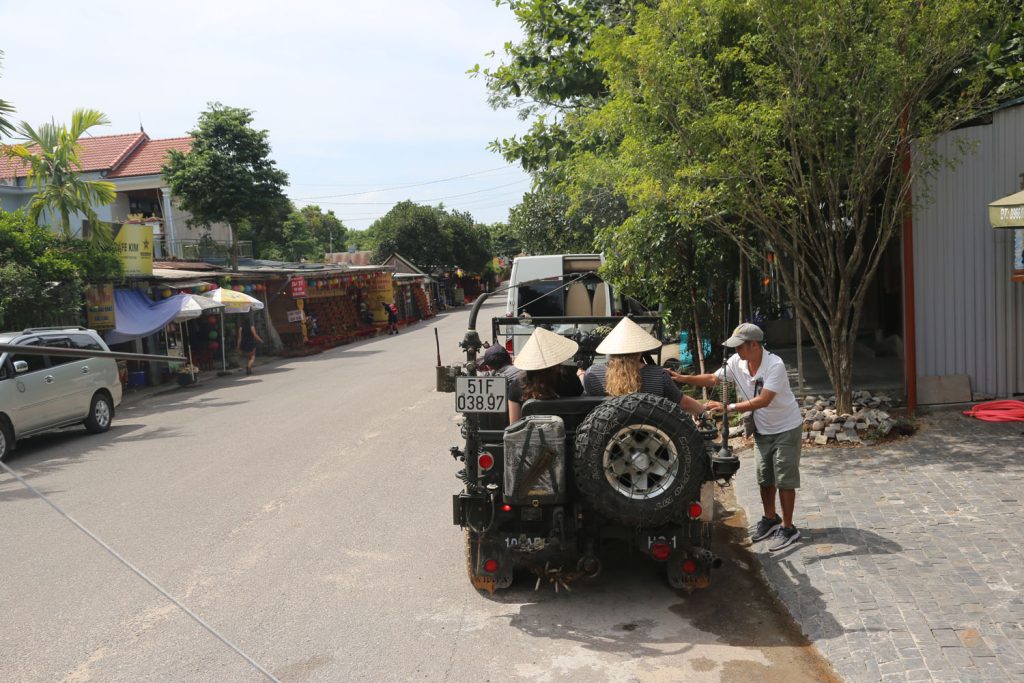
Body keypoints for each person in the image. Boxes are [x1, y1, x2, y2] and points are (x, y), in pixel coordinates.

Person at [670, 323, 804, 552]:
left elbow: (763, 400)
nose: (736, 352)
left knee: (784, 478)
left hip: (786, 427)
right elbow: (714, 379)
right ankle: (770, 519)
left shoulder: (775, 365)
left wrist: (727, 406)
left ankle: (788, 527)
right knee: (764, 477)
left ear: (754, 345)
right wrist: (681, 378)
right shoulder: (737, 362)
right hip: (763, 429)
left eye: (740, 347)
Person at [583, 317, 706, 417]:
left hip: (608, 441)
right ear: (640, 351)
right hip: (654, 440)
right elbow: (684, 403)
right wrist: (703, 410)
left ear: (611, 350)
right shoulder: (659, 375)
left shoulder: (591, 375)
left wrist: (581, 375)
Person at [507, 327, 582, 423]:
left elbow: (514, 425)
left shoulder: (517, 386)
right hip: (566, 436)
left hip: (531, 437)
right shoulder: (570, 380)